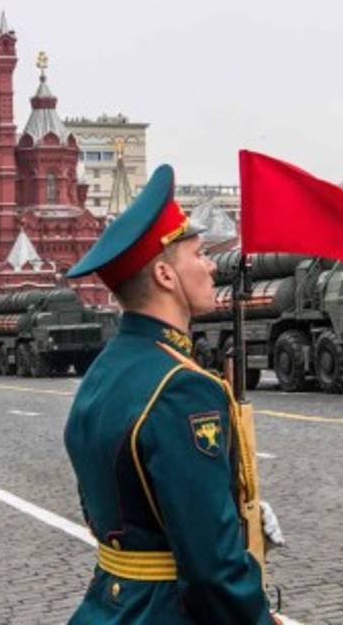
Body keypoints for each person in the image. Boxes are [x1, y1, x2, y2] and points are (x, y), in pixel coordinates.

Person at [64, 164, 283, 624]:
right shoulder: (183, 388)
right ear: (165, 275)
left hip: (110, 605)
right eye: (200, 255)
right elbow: (211, 571)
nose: (210, 267)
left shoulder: (104, 372)